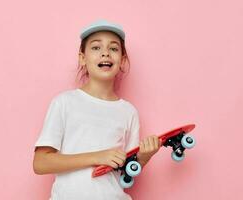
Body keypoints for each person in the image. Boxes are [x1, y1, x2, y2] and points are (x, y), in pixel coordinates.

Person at [33, 19, 161, 200]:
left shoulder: (128, 112)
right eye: (96, 47)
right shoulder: (64, 103)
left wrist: (144, 157)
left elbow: (127, 171)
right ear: (82, 58)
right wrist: (97, 156)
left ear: (122, 60)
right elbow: (40, 162)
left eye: (114, 48)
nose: (105, 53)